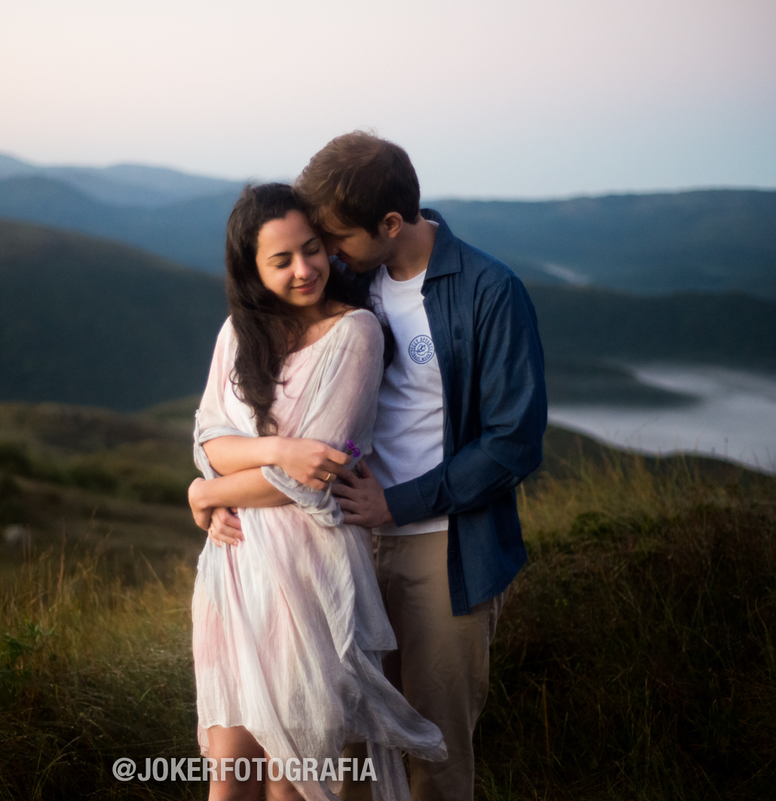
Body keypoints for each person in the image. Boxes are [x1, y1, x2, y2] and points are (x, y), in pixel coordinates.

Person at [207, 133, 548, 801]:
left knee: (434, 749)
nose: (324, 254)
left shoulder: (488, 290)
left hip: (441, 548)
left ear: (390, 224)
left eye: (335, 238)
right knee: (350, 744)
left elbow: (515, 441)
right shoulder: (355, 283)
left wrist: (400, 502)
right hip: (345, 546)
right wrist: (219, 486)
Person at [187, 182, 447, 801]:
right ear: (250, 268)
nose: (305, 269)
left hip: (312, 577)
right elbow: (207, 441)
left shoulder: (356, 333)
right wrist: (267, 452)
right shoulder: (237, 333)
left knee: (296, 787)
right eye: (281, 260)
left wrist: (209, 493)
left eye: (312, 250)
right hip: (236, 574)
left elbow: (315, 475)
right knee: (227, 784)